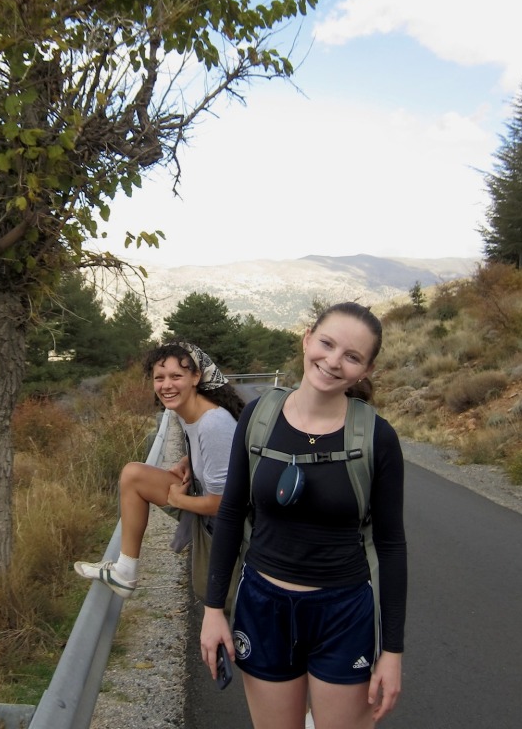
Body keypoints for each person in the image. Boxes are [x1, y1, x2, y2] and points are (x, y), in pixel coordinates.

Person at [200, 302, 407, 729]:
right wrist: (214, 609)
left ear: (366, 370)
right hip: (262, 605)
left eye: (352, 356)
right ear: (307, 338)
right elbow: (232, 512)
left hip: (343, 612)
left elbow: (391, 546)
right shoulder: (259, 418)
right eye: (327, 344)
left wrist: (392, 652)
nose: (333, 361)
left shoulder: (377, 437)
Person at [74, 340, 245, 599]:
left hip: (225, 530)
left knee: (222, 604)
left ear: (196, 377)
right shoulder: (187, 412)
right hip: (209, 512)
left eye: (176, 376)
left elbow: (226, 504)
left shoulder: (213, 423)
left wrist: (180, 500)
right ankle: (125, 570)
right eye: (159, 377)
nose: (166, 385)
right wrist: (190, 460)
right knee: (133, 475)